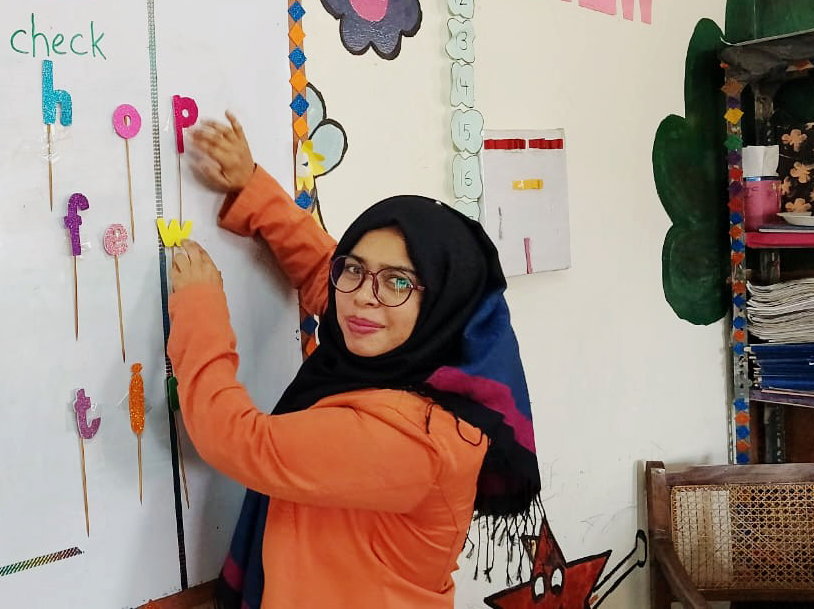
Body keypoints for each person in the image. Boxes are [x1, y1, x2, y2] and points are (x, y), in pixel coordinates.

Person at [167, 113, 541, 608]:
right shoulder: (406, 353)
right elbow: (323, 269)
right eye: (356, 270)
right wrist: (251, 187)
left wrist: (199, 305)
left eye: (398, 281)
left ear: (443, 304)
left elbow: (240, 441)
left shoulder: (416, 438)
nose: (365, 296)